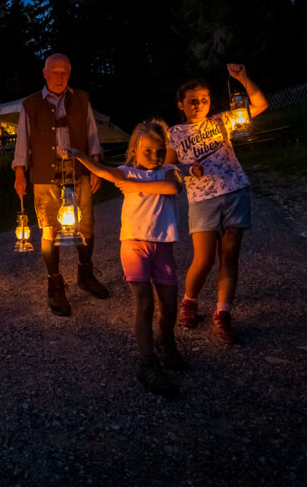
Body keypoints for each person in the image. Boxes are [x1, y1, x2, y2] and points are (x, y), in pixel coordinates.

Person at [72, 120, 183, 397]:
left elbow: (173, 189)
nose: (155, 157)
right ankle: (147, 364)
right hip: (133, 245)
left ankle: (165, 339)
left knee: (169, 307)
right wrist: (81, 157)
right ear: (134, 149)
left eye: (159, 151)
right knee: (144, 304)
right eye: (148, 151)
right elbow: (106, 172)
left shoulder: (169, 171)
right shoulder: (125, 171)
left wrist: (135, 185)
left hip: (163, 247)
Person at [165, 64, 268, 344]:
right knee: (204, 258)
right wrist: (188, 171)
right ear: (181, 105)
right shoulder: (175, 133)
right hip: (201, 199)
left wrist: (242, 78)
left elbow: (260, 104)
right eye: (192, 101)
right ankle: (189, 302)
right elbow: (168, 167)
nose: (199, 105)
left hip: (234, 191)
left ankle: (222, 313)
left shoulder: (222, 121)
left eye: (204, 99)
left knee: (229, 256)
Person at [12, 53, 109, 317]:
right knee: (49, 229)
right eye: (54, 71)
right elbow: (23, 139)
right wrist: (20, 172)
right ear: (44, 73)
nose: (59, 76)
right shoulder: (30, 104)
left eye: (64, 71)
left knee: (86, 225)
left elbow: (92, 135)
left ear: (70, 72)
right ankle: (54, 283)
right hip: (45, 175)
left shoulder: (81, 99)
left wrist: (96, 167)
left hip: (79, 171)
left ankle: (85, 275)